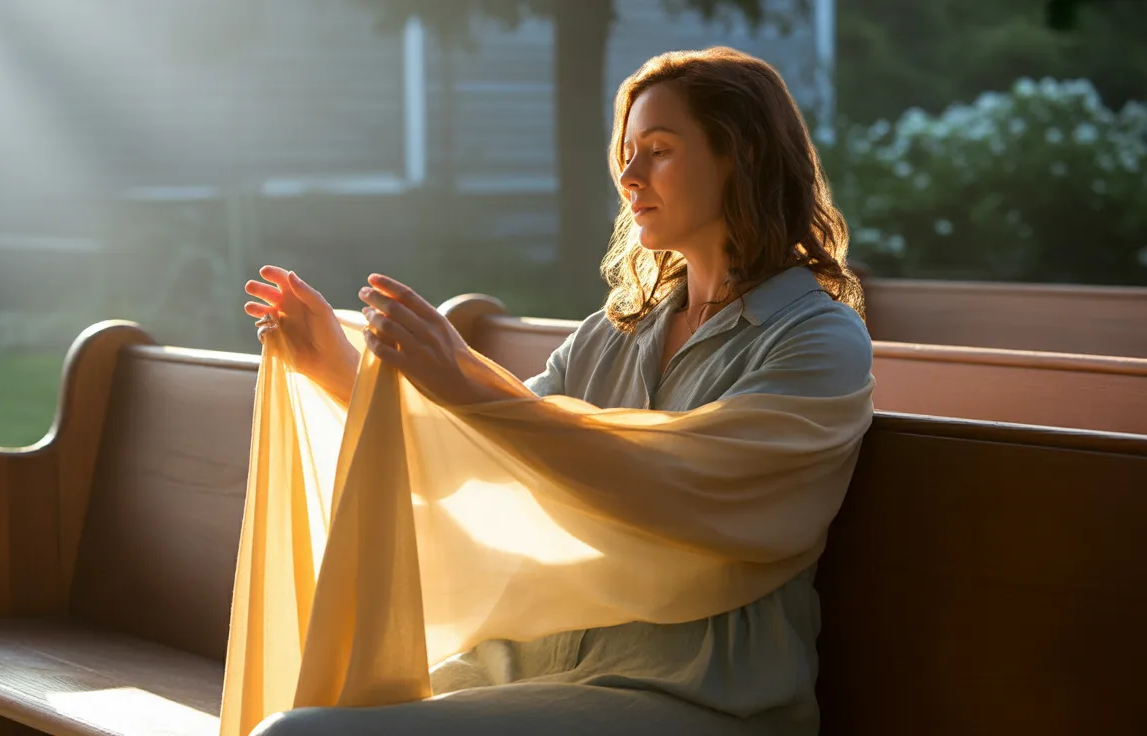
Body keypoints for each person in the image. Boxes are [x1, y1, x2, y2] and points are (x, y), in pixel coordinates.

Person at [241, 46, 870, 736]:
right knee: (311, 711)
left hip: (701, 696)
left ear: (740, 155)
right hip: (544, 669)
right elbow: (495, 461)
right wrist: (338, 365)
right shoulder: (615, 331)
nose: (629, 176)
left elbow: (679, 486)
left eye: (657, 150)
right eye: (626, 152)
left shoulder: (818, 340)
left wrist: (469, 384)